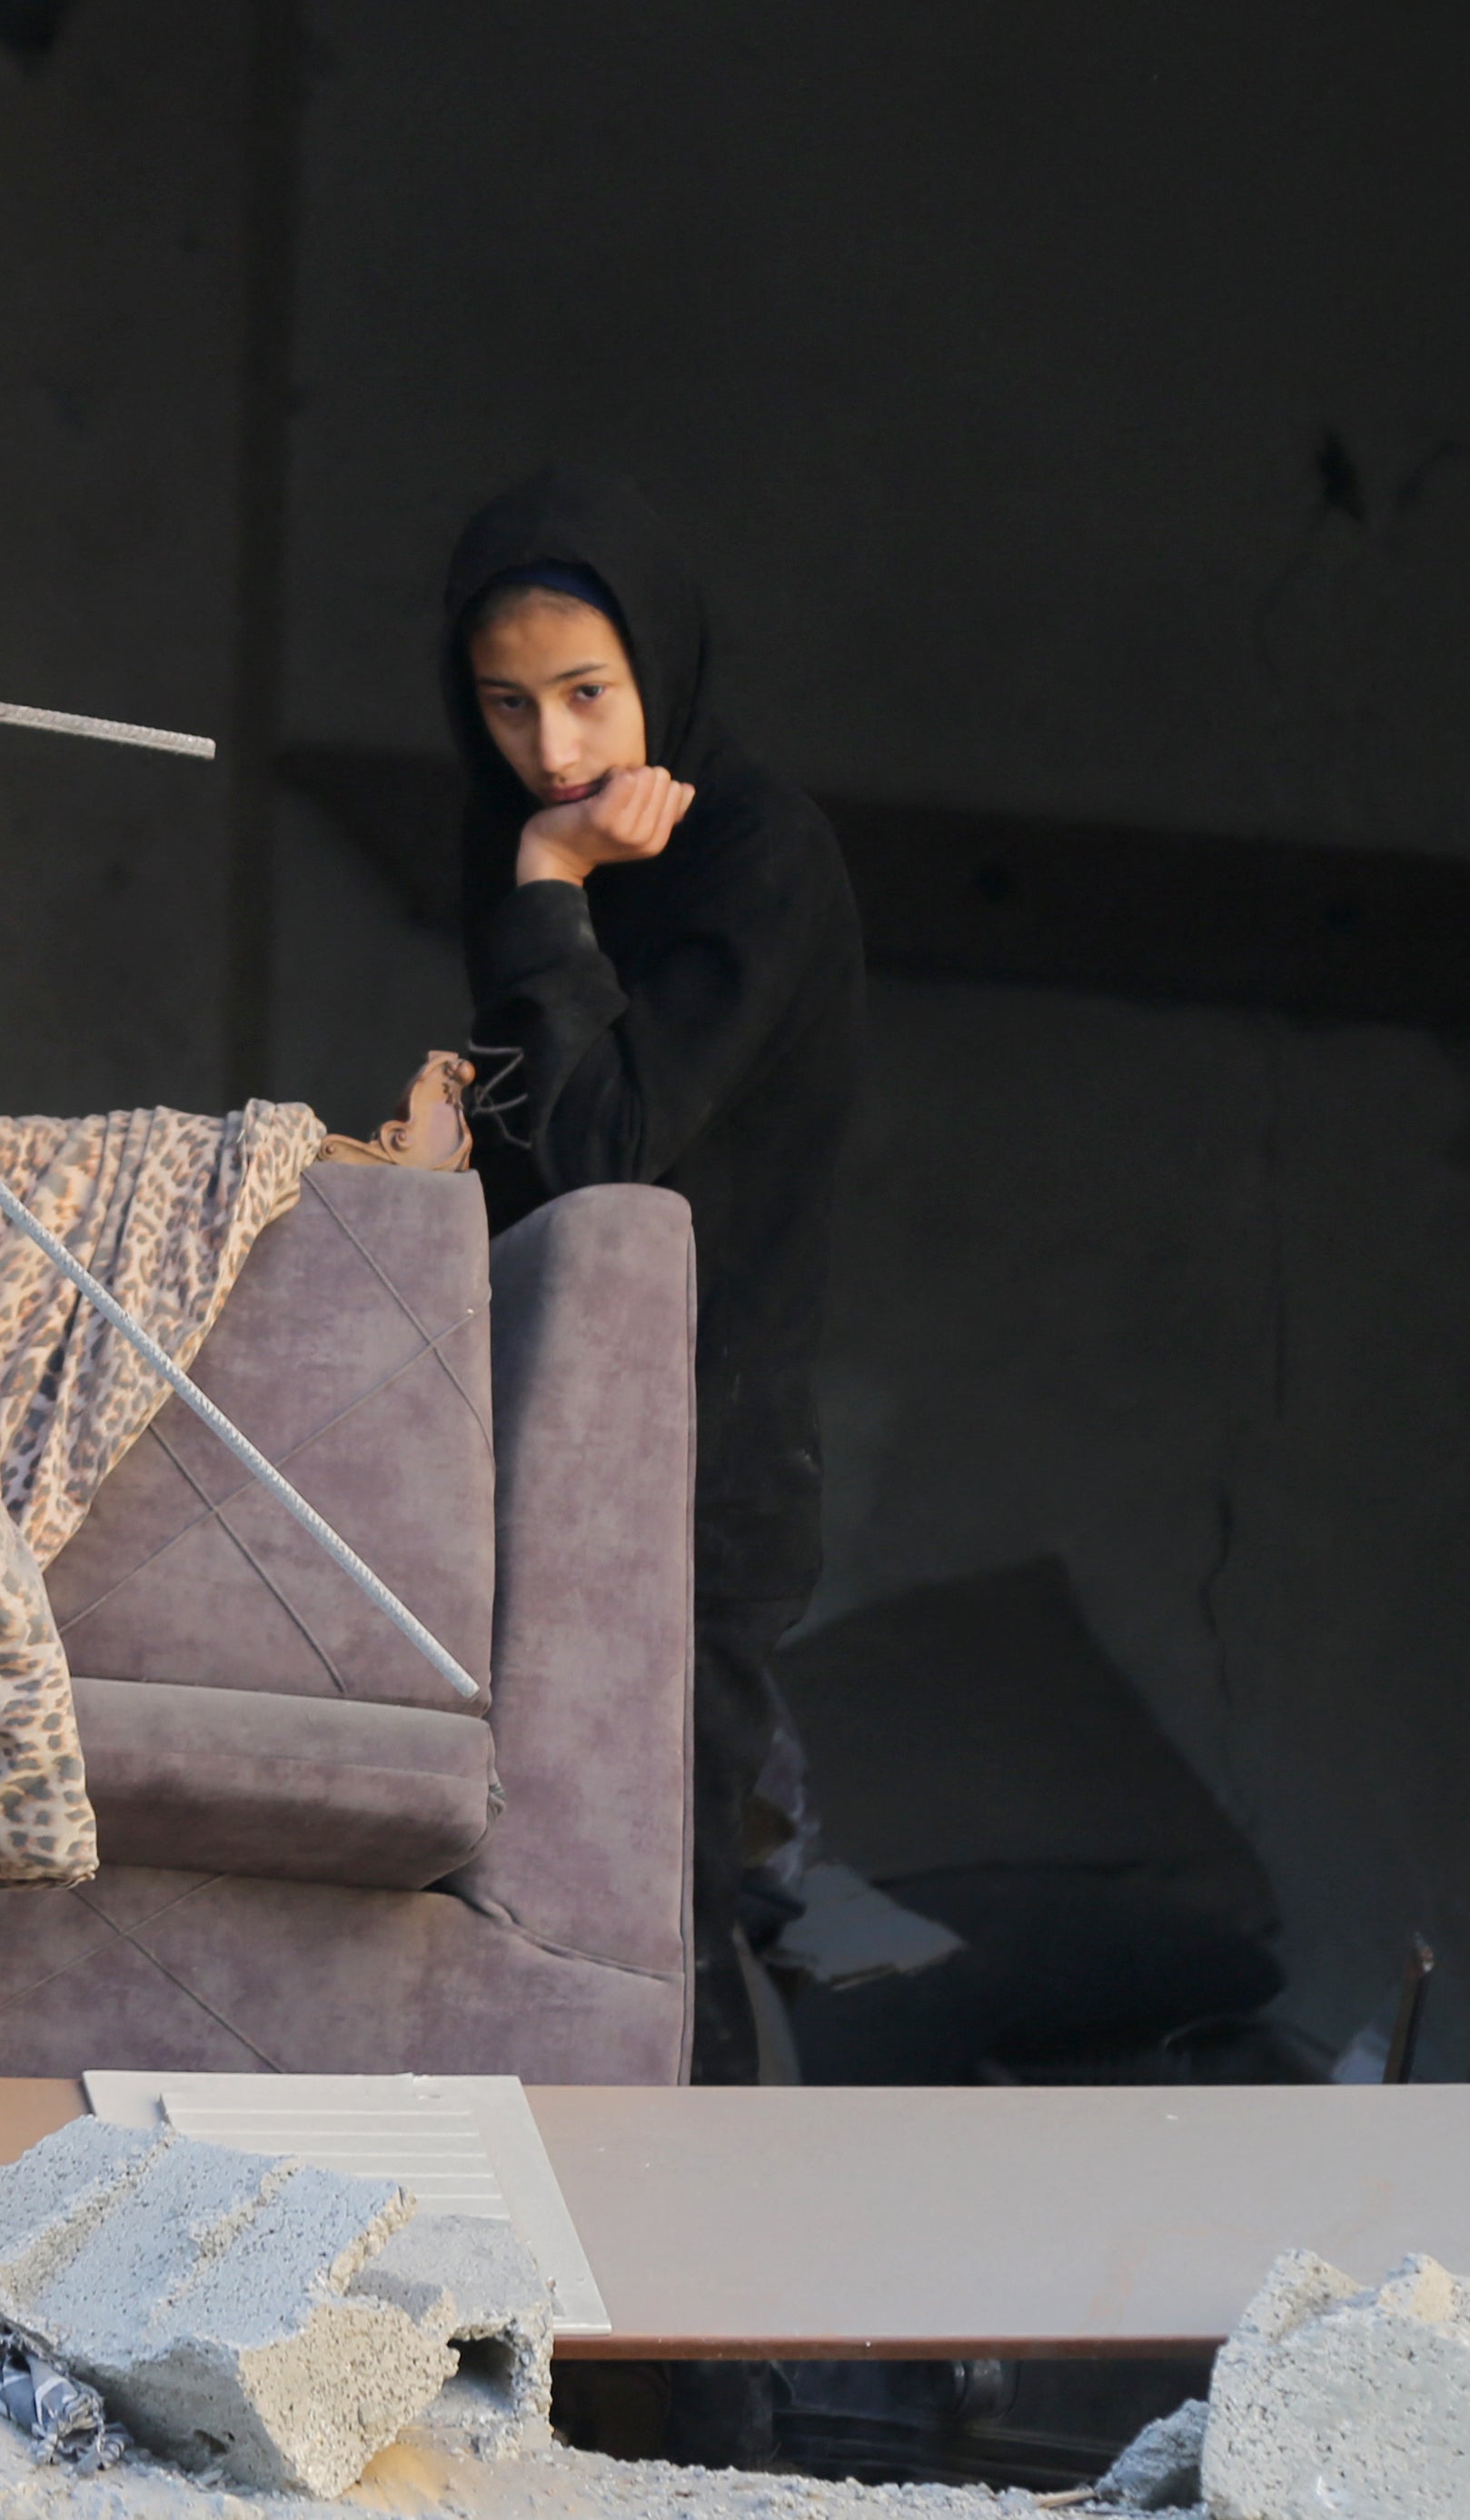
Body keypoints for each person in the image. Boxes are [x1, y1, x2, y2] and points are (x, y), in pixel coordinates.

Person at [438, 469, 864, 2081]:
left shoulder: (751, 857)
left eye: (588, 695)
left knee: (651, 1913)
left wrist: (549, 895)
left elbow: (604, 1149)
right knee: (542, 1899)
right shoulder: (544, 837)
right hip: (554, 1453)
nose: (553, 752)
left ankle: (696, 2326)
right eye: (506, 704)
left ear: (662, 673)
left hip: (698, 1468)